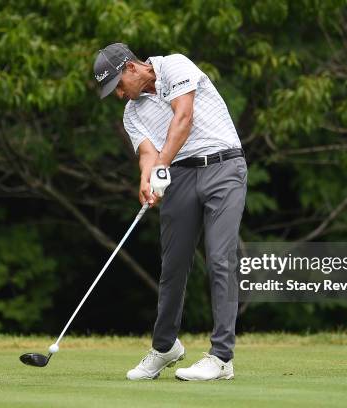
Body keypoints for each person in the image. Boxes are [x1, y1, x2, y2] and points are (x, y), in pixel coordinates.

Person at [93, 43, 247, 381]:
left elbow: (184, 116)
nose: (119, 95)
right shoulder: (131, 114)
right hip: (179, 176)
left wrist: (162, 165)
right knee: (173, 264)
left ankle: (221, 358)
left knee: (220, 259)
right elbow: (148, 153)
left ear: (131, 68)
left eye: (118, 85)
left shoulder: (175, 66)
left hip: (223, 166)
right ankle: (165, 347)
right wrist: (148, 179)